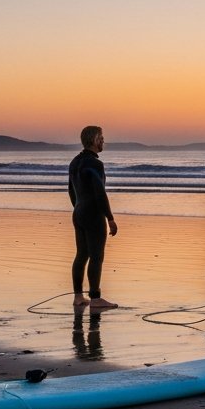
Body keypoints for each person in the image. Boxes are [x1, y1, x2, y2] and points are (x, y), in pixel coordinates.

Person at [68, 125, 118, 309]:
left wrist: (79, 208)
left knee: (81, 255)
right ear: (95, 140)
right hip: (93, 214)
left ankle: (78, 296)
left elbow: (71, 191)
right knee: (96, 256)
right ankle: (96, 298)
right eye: (101, 138)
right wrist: (110, 217)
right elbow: (100, 193)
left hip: (79, 212)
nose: (103, 141)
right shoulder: (95, 164)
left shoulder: (74, 162)